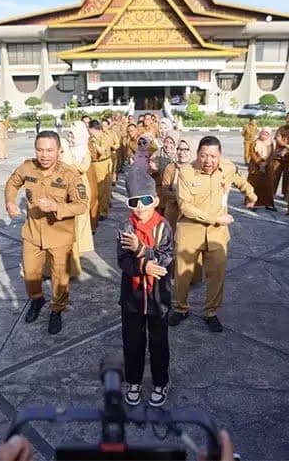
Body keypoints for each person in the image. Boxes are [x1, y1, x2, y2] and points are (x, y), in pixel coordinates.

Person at [169, 136, 257, 332]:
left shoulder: (227, 167)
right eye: (203, 155)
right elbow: (185, 206)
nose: (208, 161)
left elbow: (239, 180)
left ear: (220, 156)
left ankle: (211, 312)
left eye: (213, 156)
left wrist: (251, 194)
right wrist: (216, 219)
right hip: (190, 230)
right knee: (182, 274)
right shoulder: (186, 172)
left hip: (217, 234)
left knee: (217, 274)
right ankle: (181, 308)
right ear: (197, 154)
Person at [5, 131, 89, 335]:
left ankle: (57, 310)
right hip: (33, 233)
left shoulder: (70, 174)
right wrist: (9, 201)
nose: (44, 155)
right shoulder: (28, 167)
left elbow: (81, 205)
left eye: (50, 150)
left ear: (59, 151)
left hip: (59, 236)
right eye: (40, 150)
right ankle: (37, 299)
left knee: (59, 276)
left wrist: (56, 207)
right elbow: (12, 182)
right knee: (31, 273)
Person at [117, 169, 173, 407]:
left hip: (158, 297)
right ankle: (134, 381)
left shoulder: (163, 226)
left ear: (156, 200)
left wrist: (142, 252)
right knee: (133, 342)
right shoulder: (125, 227)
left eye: (146, 200)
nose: (140, 207)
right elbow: (123, 260)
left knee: (159, 342)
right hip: (132, 298)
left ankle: (160, 382)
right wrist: (144, 265)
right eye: (134, 202)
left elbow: (166, 257)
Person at [60, 121, 95, 277]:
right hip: (66, 186)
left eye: (72, 135)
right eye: (69, 135)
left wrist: (68, 164)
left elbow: (82, 168)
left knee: (80, 217)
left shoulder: (84, 151)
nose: (70, 138)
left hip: (80, 186)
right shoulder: (65, 149)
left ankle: (78, 247)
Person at [88, 119, 113, 221]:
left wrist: (95, 144)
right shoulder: (90, 138)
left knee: (103, 189)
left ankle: (103, 211)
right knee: (94, 189)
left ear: (93, 129)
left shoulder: (104, 137)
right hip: (92, 164)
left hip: (102, 163)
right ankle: (95, 210)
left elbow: (102, 151)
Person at [247, 128, 276, 210]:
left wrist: (266, 163)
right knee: (253, 185)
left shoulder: (270, 143)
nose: (264, 136)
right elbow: (252, 153)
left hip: (267, 167)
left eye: (267, 134)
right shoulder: (255, 142)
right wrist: (259, 162)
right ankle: (252, 204)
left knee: (267, 186)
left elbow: (271, 154)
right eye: (263, 133)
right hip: (255, 167)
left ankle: (268, 204)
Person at [271, 113, 289, 197]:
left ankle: (286, 194)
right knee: (274, 175)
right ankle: (271, 193)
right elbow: (278, 139)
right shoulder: (282, 128)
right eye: (288, 118)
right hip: (279, 156)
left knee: (287, 176)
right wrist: (286, 146)